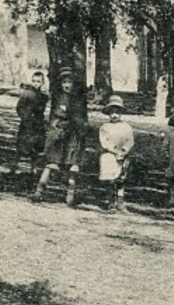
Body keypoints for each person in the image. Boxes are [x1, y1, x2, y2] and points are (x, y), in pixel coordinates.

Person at [35, 67, 90, 204]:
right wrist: (55, 124)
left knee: (72, 164)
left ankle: (70, 195)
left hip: (74, 133)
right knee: (52, 161)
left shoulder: (78, 98)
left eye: (69, 82)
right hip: (60, 132)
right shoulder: (58, 97)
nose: (67, 85)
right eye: (64, 82)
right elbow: (55, 114)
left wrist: (79, 126)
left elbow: (81, 117)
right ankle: (39, 190)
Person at [96, 95, 136, 213]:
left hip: (122, 155)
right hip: (109, 155)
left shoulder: (126, 127)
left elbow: (130, 141)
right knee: (110, 180)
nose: (114, 115)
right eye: (112, 112)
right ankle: (110, 202)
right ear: (108, 113)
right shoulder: (105, 127)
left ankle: (120, 202)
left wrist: (123, 152)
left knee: (120, 179)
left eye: (117, 112)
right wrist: (115, 151)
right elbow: (104, 143)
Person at [14, 69, 49, 180]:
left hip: (37, 125)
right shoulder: (26, 94)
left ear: (42, 83)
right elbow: (19, 107)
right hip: (27, 124)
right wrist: (25, 118)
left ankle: (33, 168)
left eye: (38, 81)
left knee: (36, 147)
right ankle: (16, 167)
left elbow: (42, 110)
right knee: (22, 146)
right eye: (34, 81)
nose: (36, 83)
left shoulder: (43, 96)